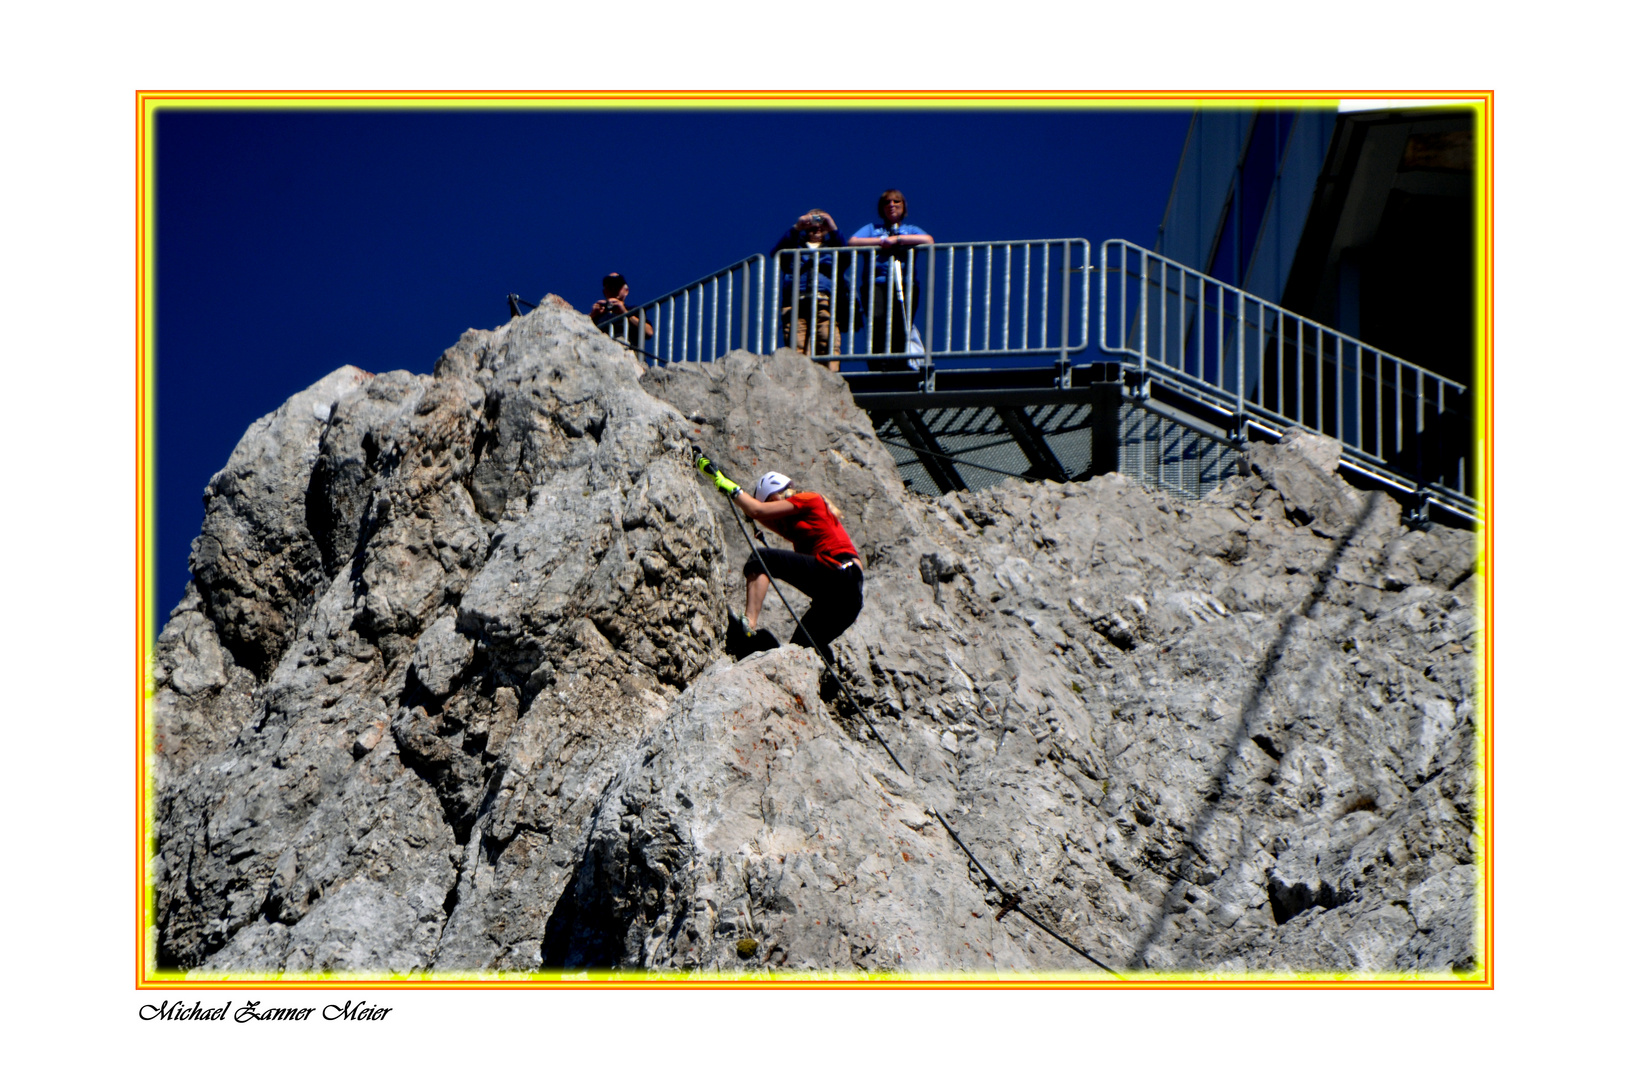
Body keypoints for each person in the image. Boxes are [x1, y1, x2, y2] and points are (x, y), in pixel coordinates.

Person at [698, 459, 865, 665]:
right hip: (846, 597)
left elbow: (757, 510)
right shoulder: (795, 525)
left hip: (840, 573)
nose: (774, 509)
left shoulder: (809, 499)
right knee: (799, 650)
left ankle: (748, 625)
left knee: (762, 559)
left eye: (771, 502)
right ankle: (825, 679)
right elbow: (758, 513)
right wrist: (730, 490)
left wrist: (729, 486)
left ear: (776, 492)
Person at [846, 189, 934, 371]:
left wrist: (898, 240)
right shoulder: (873, 229)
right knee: (877, 319)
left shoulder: (910, 230)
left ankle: (900, 363)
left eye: (896, 202)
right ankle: (879, 364)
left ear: (903, 207)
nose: (892, 205)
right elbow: (853, 241)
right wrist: (880, 242)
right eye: (887, 203)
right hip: (876, 283)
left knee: (901, 321)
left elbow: (928, 240)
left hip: (905, 283)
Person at [770, 210, 849, 372]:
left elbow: (846, 257)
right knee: (796, 346)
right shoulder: (794, 245)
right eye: (812, 222)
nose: (817, 227)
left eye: (821, 223)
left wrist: (833, 227)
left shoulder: (833, 248)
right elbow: (777, 253)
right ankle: (799, 382)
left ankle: (830, 379)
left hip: (824, 300)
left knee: (827, 342)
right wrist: (796, 227)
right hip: (795, 302)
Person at [589, 272, 655, 349]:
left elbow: (649, 332)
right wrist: (593, 315)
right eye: (610, 287)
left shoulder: (633, 310)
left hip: (628, 353)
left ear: (626, 291)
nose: (613, 289)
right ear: (604, 292)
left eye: (617, 286)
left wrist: (625, 313)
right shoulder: (599, 314)